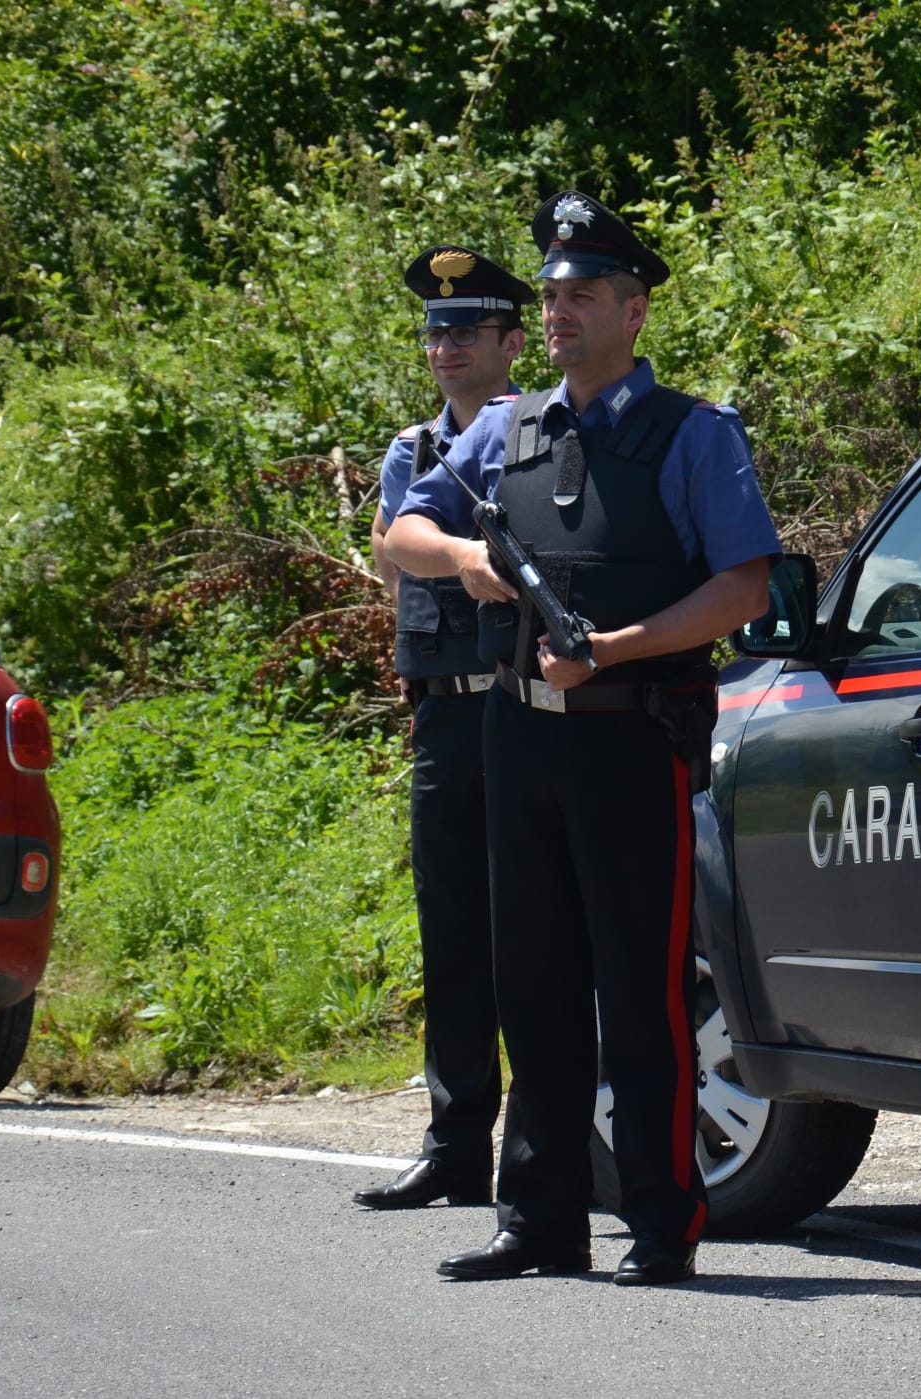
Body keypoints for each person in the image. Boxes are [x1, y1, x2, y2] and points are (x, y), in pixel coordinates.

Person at [385, 190, 780, 1285]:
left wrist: (613, 647)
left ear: (634, 309)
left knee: (640, 993)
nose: (558, 312)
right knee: (534, 986)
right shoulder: (504, 428)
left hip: (629, 742)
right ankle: (540, 1221)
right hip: (520, 739)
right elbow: (406, 528)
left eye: (582, 295)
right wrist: (465, 561)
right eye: (551, 295)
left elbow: (744, 586)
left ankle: (659, 1222)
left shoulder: (694, 435)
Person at [351, 245, 533, 1211]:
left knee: (537, 936)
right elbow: (394, 565)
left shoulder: (545, 434)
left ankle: (550, 1150)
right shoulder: (410, 453)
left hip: (526, 705)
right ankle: (456, 1143)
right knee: (453, 937)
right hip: (443, 715)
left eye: (465, 330)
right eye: (433, 330)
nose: (445, 345)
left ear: (511, 338)